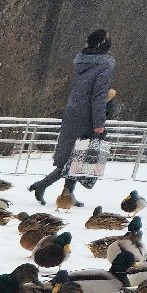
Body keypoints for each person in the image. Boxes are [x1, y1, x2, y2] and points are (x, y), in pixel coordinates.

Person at [29, 29, 116, 206]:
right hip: (88, 117)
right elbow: (98, 96)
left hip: (73, 112)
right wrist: (99, 123)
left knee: (75, 156)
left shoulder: (82, 62)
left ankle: (67, 194)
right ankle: (42, 185)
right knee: (76, 158)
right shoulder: (104, 66)